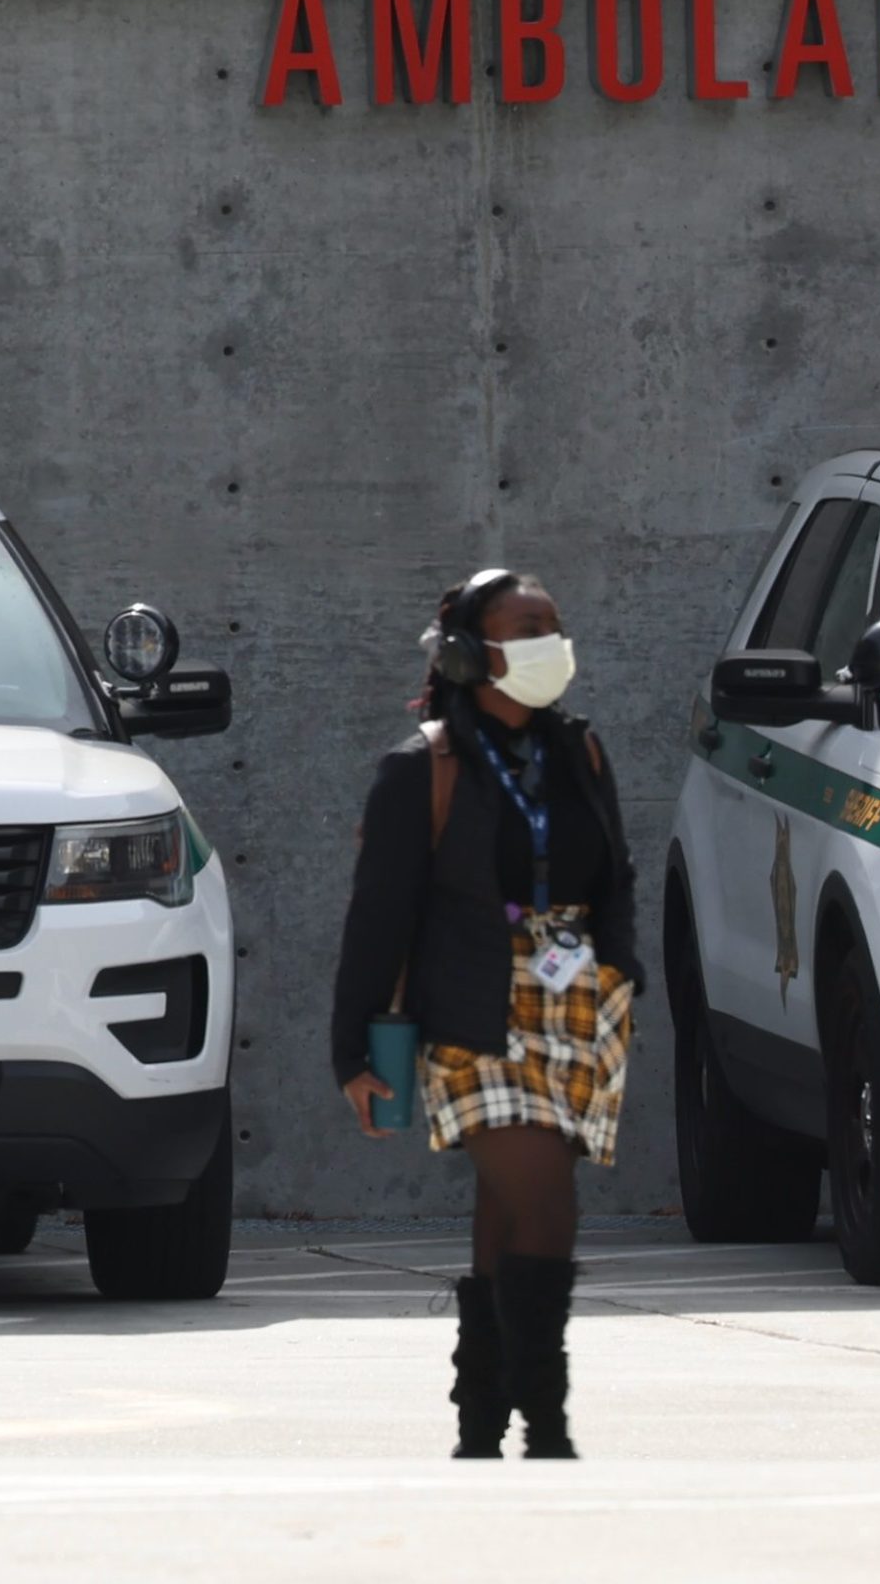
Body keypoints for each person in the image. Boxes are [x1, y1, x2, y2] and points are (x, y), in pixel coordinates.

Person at [325, 566, 640, 1460]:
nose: (550, 642)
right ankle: (548, 1420)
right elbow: (378, 915)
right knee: (546, 1200)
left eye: (555, 623)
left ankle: (479, 1420)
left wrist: (622, 971)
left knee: (507, 1212)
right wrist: (352, 1051)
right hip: (474, 1003)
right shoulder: (420, 766)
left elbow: (615, 871)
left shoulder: (580, 749)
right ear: (472, 651)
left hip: (580, 1002)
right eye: (528, 625)